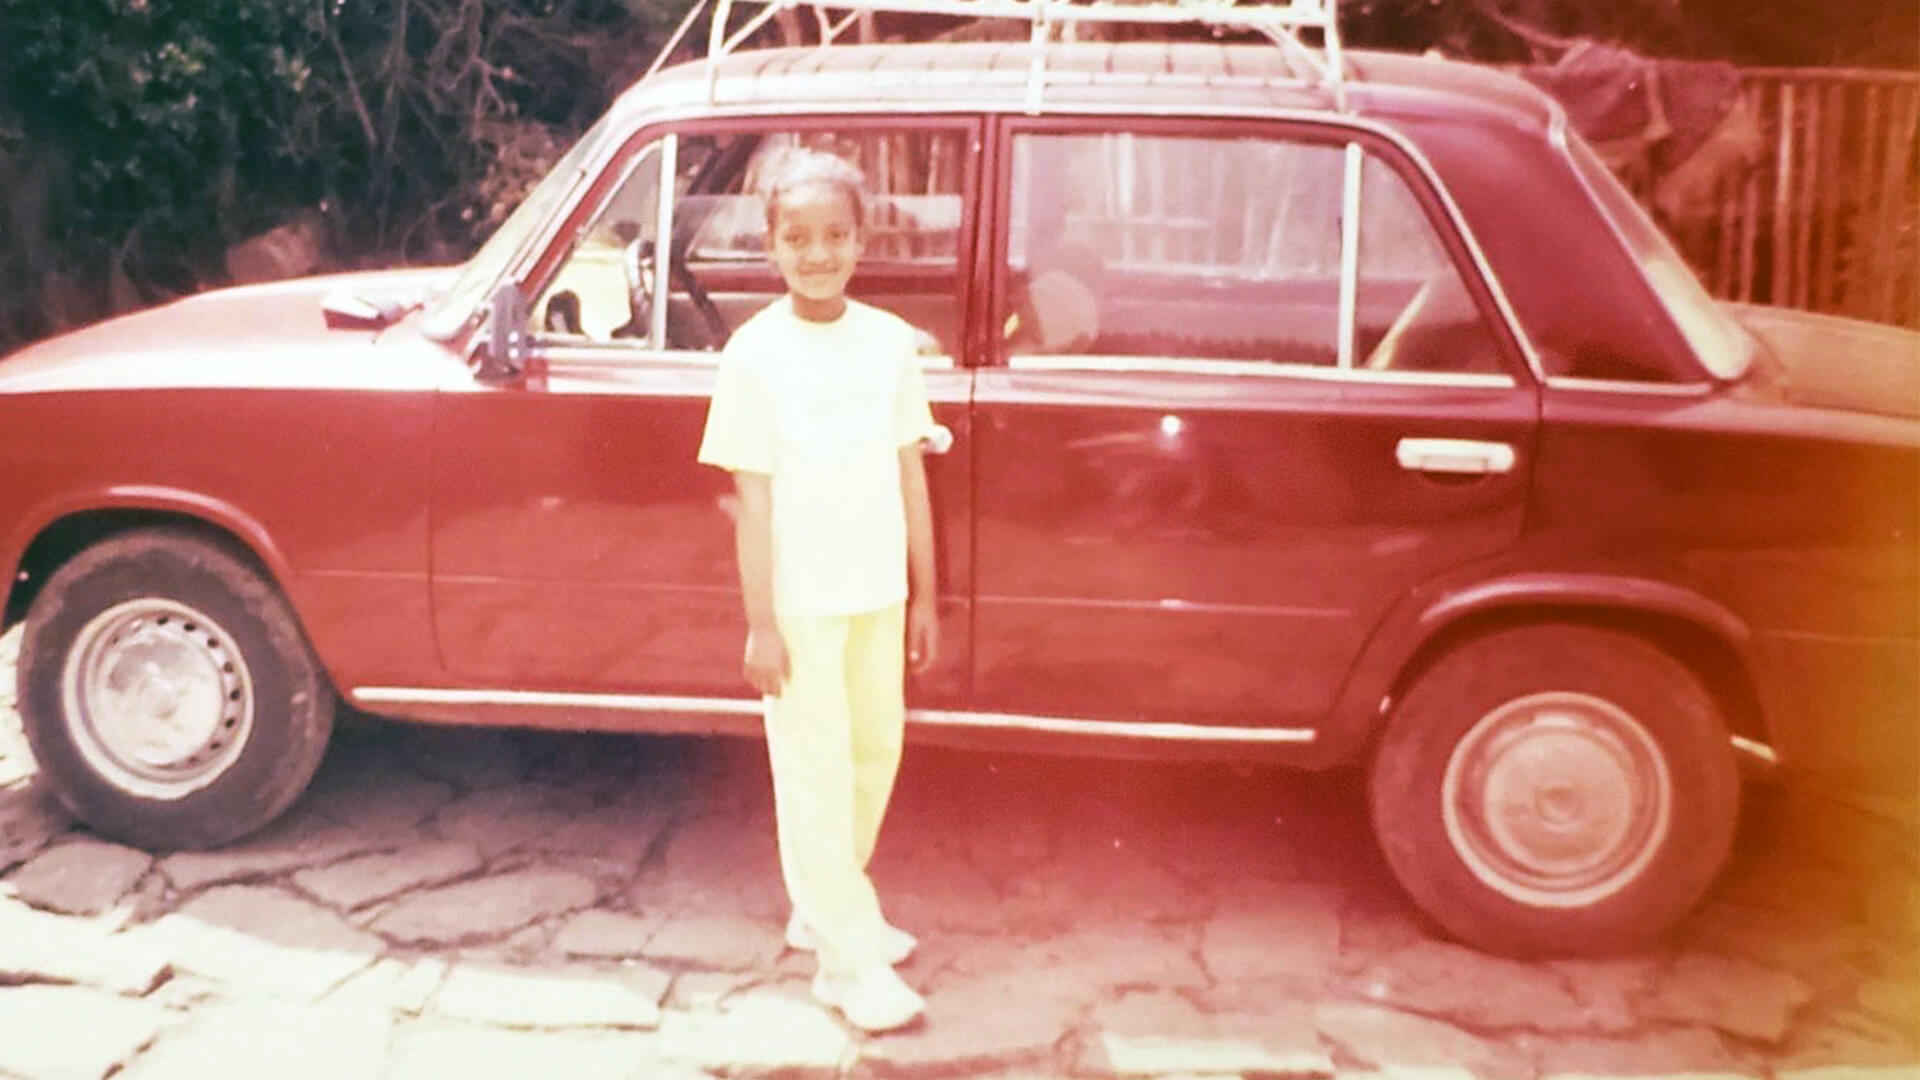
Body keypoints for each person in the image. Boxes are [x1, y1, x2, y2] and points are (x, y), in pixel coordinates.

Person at [696, 146, 939, 1034]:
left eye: (834, 235)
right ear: (771, 246)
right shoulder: (754, 355)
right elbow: (751, 504)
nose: (817, 253)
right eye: (797, 237)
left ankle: (825, 907)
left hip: (878, 594)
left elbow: (912, 477)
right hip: (799, 605)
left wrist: (927, 598)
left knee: (874, 755)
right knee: (814, 774)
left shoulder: (886, 344)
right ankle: (845, 962)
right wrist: (762, 625)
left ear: (860, 240)